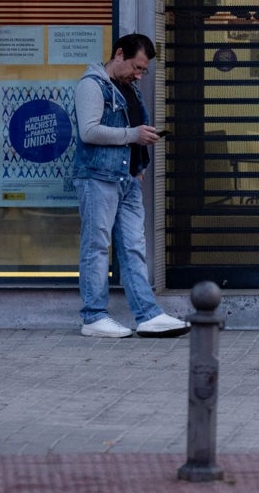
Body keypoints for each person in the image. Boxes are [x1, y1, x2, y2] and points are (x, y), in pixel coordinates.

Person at [72, 33, 189, 339]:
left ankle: (147, 315)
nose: (139, 74)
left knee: (134, 247)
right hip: (97, 177)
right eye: (137, 67)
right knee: (96, 247)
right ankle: (94, 316)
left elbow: (135, 131)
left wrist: (139, 165)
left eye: (143, 71)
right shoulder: (91, 85)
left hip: (127, 180)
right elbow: (89, 131)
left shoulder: (129, 89)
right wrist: (133, 135)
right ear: (119, 54)